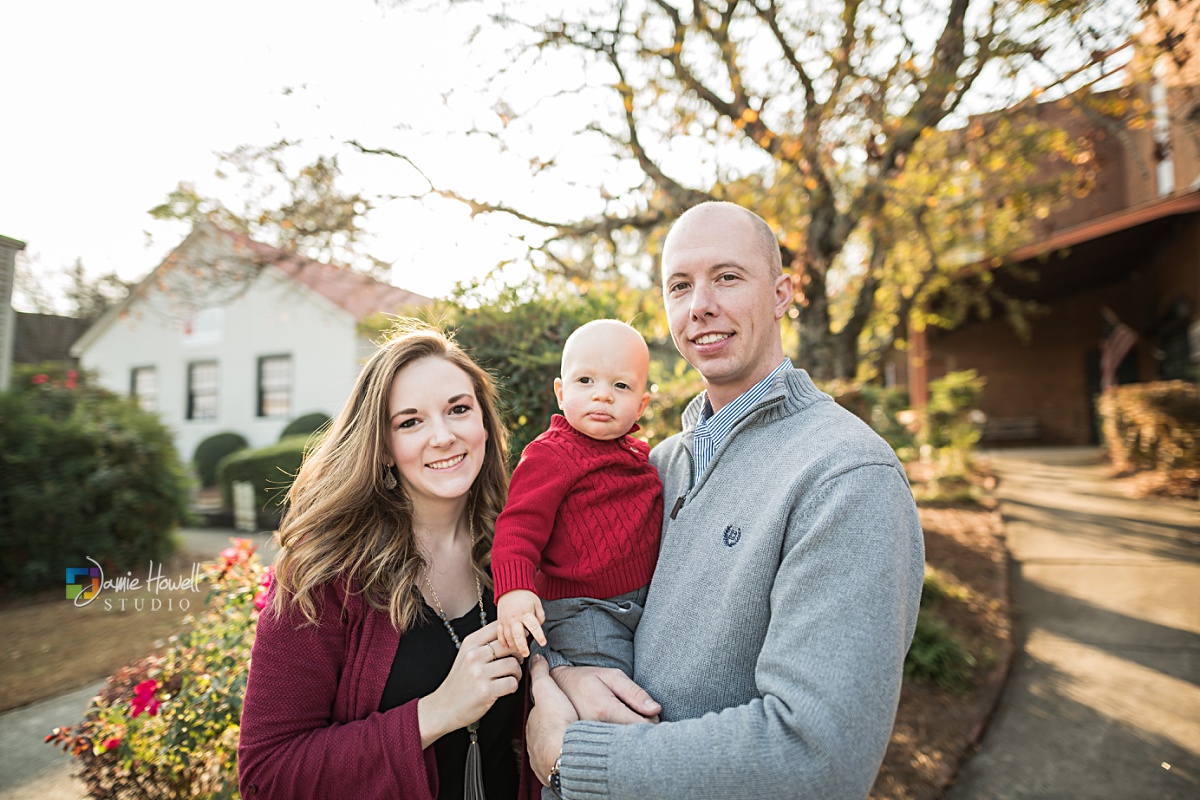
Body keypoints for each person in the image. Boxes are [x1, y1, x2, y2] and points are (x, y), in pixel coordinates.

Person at [525, 201, 926, 800]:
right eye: (680, 286)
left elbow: (817, 757)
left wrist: (572, 757)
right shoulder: (656, 465)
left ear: (782, 292)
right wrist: (557, 670)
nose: (700, 305)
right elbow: (572, 593)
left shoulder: (847, 474)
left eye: (728, 277)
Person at [238, 320, 538, 800]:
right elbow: (267, 774)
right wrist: (436, 713)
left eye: (458, 409)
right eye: (410, 421)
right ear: (381, 447)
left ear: (484, 424)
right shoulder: (325, 575)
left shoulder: (521, 551)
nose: (442, 436)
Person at [491, 319, 663, 676]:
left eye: (621, 385)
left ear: (642, 404)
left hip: (645, 600)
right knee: (609, 685)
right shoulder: (551, 455)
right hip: (583, 609)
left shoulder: (640, 457)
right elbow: (517, 527)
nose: (603, 395)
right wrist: (514, 590)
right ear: (561, 392)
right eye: (586, 381)